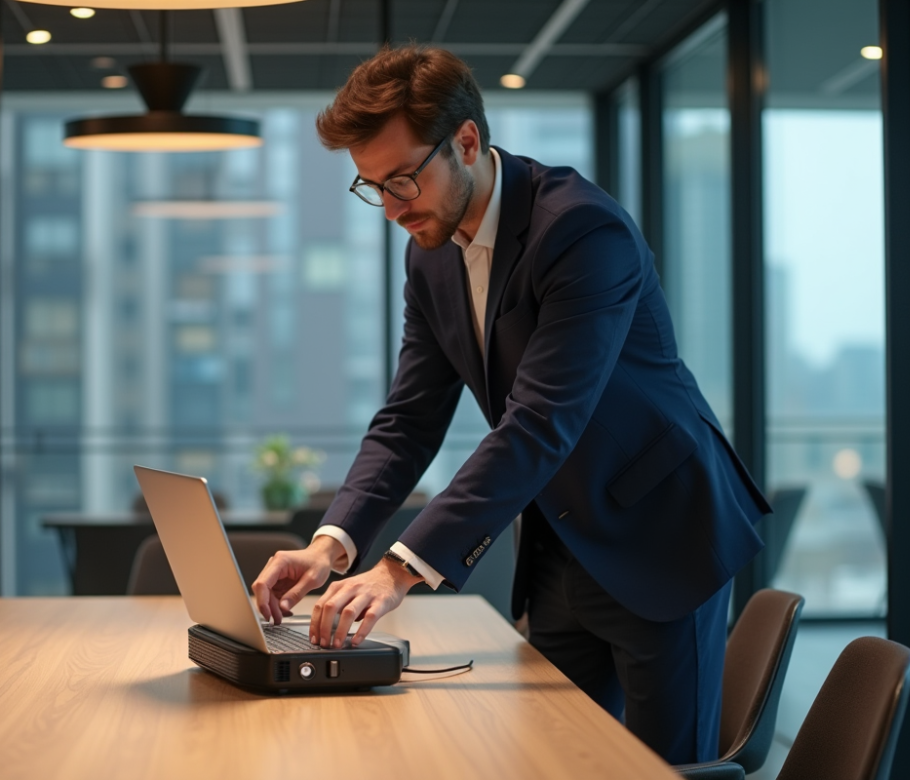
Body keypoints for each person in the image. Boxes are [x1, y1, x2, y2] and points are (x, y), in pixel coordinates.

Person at [251, 45, 769, 764]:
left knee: (661, 768)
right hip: (557, 545)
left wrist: (398, 570)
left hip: (660, 537)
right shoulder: (429, 251)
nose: (392, 210)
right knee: (553, 758)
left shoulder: (581, 231)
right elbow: (409, 418)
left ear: (466, 142)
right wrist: (330, 545)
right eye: (373, 187)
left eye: (402, 180)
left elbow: (540, 420)